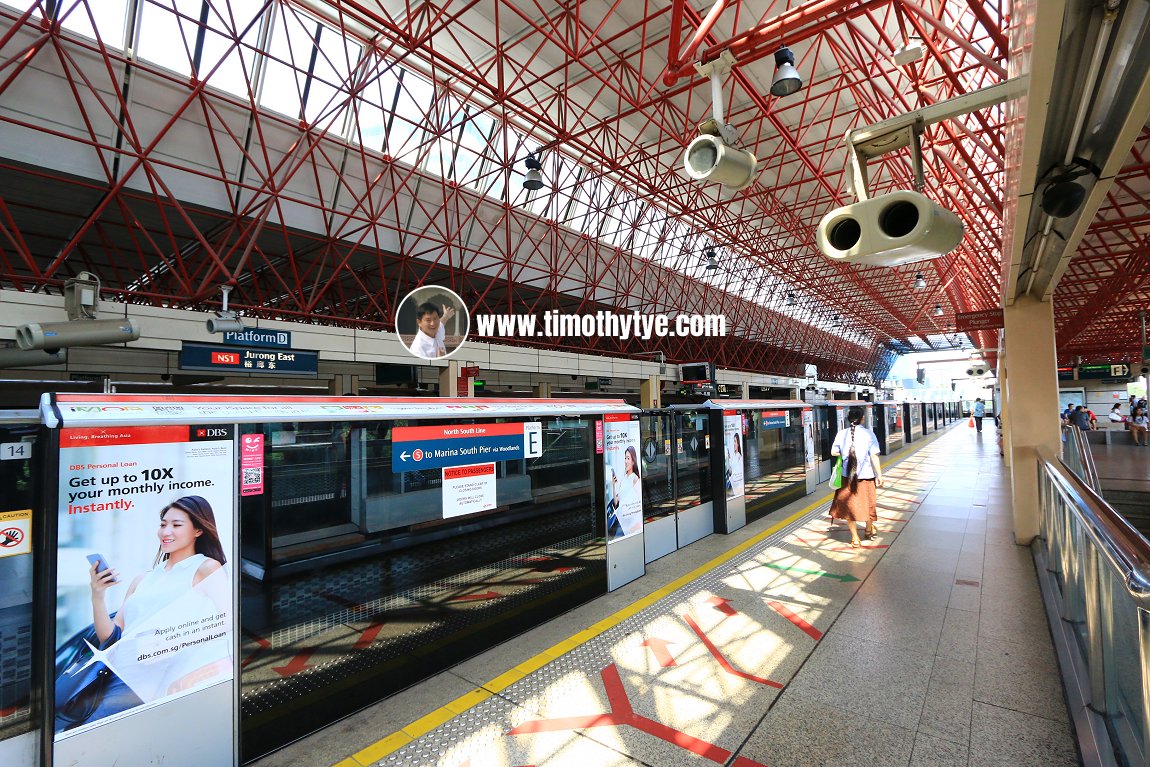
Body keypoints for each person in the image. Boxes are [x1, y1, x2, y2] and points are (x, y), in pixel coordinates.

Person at [67, 496, 229, 729]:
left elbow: (228, 620)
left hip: (144, 681)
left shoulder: (205, 568)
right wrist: (97, 594)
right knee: (72, 729)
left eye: (176, 524)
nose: (166, 531)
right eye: (163, 524)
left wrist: (172, 641)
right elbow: (110, 637)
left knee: (87, 733)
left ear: (198, 531)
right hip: (110, 673)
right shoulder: (143, 579)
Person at [829, 406, 884, 548]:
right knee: (868, 503)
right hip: (866, 476)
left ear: (848, 418)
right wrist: (879, 475)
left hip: (848, 477)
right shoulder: (869, 434)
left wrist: (846, 454)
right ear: (862, 418)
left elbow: (834, 452)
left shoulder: (841, 434)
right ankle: (868, 529)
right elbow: (874, 455)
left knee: (849, 507)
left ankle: (855, 538)